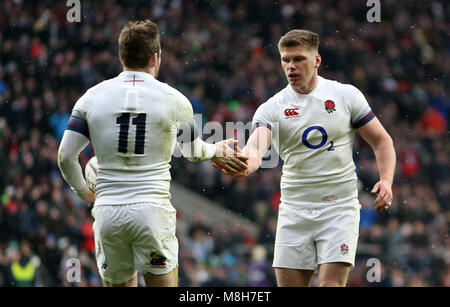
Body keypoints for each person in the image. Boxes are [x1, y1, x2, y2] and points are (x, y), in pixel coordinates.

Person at [57, 20, 247, 287]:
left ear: (121, 56)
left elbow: (65, 156)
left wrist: (83, 191)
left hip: (108, 211)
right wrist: (216, 150)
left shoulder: (91, 98)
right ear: (156, 57)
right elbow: (192, 152)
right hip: (152, 212)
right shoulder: (175, 100)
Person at [214, 29, 396, 287]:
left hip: (339, 207)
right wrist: (242, 164)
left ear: (317, 61)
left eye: (298, 59)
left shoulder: (346, 96)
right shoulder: (271, 109)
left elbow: (382, 140)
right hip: (294, 209)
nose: (291, 66)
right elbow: (255, 150)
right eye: (285, 60)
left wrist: (386, 180)